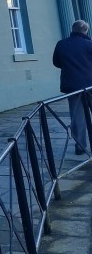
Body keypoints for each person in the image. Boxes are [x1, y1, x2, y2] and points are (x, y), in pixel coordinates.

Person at [52, 19, 92, 154]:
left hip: (72, 85)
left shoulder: (61, 44)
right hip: (91, 84)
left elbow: (56, 63)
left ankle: (80, 146)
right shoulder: (89, 44)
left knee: (77, 117)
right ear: (85, 30)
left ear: (73, 29)